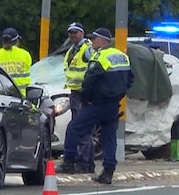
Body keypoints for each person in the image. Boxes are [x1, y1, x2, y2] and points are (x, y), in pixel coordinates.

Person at [63, 28, 134, 185]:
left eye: (94, 39)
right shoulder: (122, 56)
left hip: (96, 104)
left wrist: (85, 100)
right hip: (113, 105)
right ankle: (108, 172)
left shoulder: (99, 57)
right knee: (109, 136)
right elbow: (130, 80)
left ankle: (68, 162)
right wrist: (118, 96)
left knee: (74, 128)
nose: (92, 41)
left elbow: (89, 81)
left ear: (102, 41)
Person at [57, 22, 95, 174]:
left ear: (82, 33)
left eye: (75, 32)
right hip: (74, 92)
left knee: (81, 129)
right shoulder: (72, 50)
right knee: (78, 128)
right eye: (70, 33)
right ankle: (84, 163)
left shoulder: (87, 49)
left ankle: (84, 163)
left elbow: (93, 68)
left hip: (83, 93)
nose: (72, 35)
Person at [0, 27, 32, 96]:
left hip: (2, 95)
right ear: (17, 40)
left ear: (3, 41)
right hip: (22, 95)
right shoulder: (25, 54)